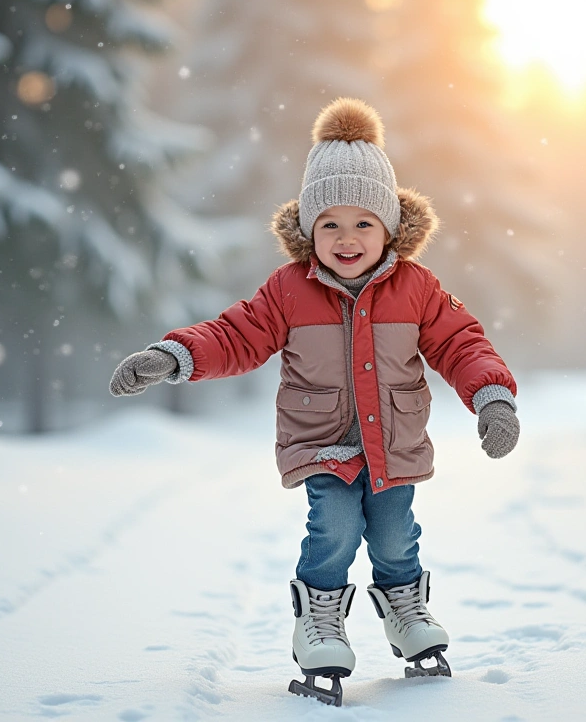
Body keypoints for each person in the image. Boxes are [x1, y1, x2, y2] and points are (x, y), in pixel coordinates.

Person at [109, 98, 519, 706]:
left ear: (389, 226)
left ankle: (406, 612)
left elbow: (461, 343)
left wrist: (492, 399)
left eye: (363, 223)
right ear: (306, 229)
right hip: (320, 442)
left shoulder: (417, 287)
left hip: (394, 443)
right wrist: (174, 356)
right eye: (329, 223)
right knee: (334, 525)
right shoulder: (288, 291)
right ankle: (320, 621)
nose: (347, 238)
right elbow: (237, 334)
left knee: (393, 533)